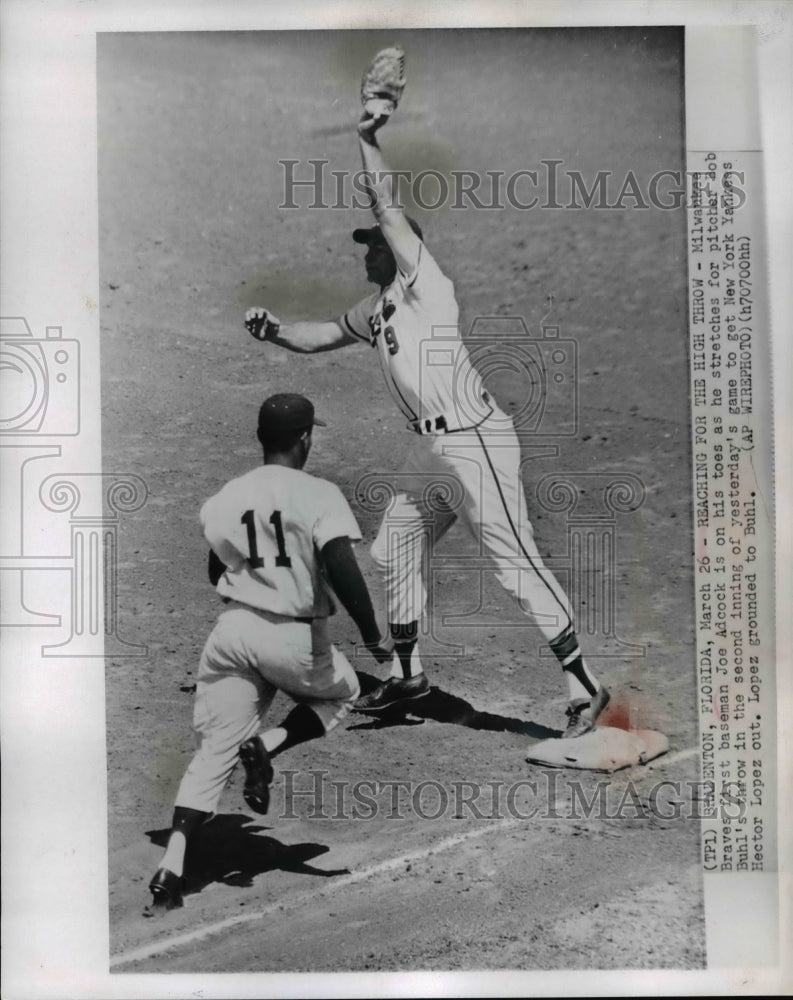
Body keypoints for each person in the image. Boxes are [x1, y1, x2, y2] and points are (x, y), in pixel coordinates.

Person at [244, 105, 610, 740]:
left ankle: (583, 685)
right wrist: (275, 330)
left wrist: (366, 137)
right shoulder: (379, 306)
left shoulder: (424, 285)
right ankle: (409, 676)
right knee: (393, 547)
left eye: (373, 244)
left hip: (474, 440)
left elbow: (386, 203)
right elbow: (323, 334)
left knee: (512, 560)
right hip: (429, 452)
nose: (365, 252)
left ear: (399, 250)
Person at [147, 393, 391, 913]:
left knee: (213, 751)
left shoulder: (229, 495)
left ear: (263, 438)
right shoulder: (320, 493)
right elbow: (342, 567)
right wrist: (372, 634)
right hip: (294, 639)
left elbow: (217, 569)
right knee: (344, 693)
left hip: (233, 632)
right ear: (305, 438)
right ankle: (270, 745)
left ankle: (170, 871)